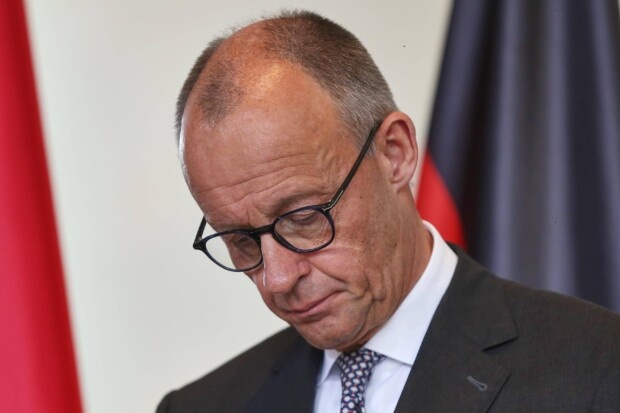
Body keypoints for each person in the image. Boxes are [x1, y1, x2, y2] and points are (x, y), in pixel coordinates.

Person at [157, 10, 620, 413]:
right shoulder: (200, 407)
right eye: (240, 240)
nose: (276, 280)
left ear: (395, 154)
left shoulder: (597, 369)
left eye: (303, 217)